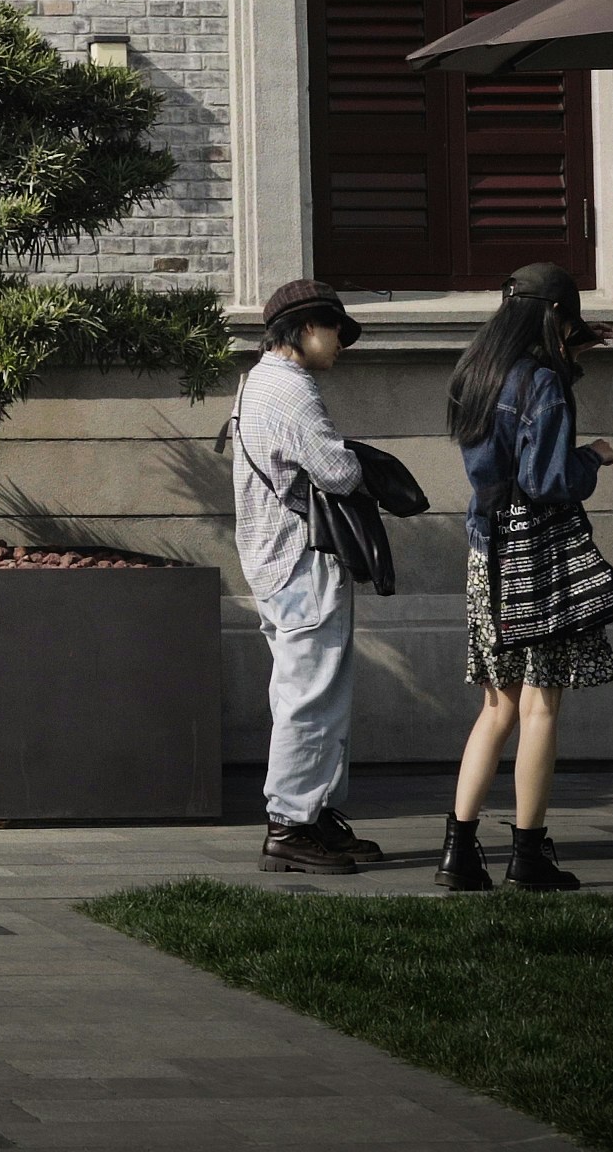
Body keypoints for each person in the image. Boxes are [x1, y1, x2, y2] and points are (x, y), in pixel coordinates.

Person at [441, 262, 613, 893]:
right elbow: (549, 482)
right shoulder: (543, 382)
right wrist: (593, 456)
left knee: (496, 707)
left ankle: (459, 853)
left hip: (487, 555)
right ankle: (529, 854)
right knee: (541, 704)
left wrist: (568, 348)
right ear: (555, 317)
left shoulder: (476, 372)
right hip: (535, 557)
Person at [233, 279, 373, 875]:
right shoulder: (291, 390)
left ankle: (312, 816)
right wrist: (365, 462)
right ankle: (291, 824)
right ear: (307, 328)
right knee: (309, 694)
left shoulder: (254, 382)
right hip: (300, 559)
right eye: (336, 329)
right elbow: (337, 473)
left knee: (304, 688)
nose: (341, 341)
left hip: (272, 556)